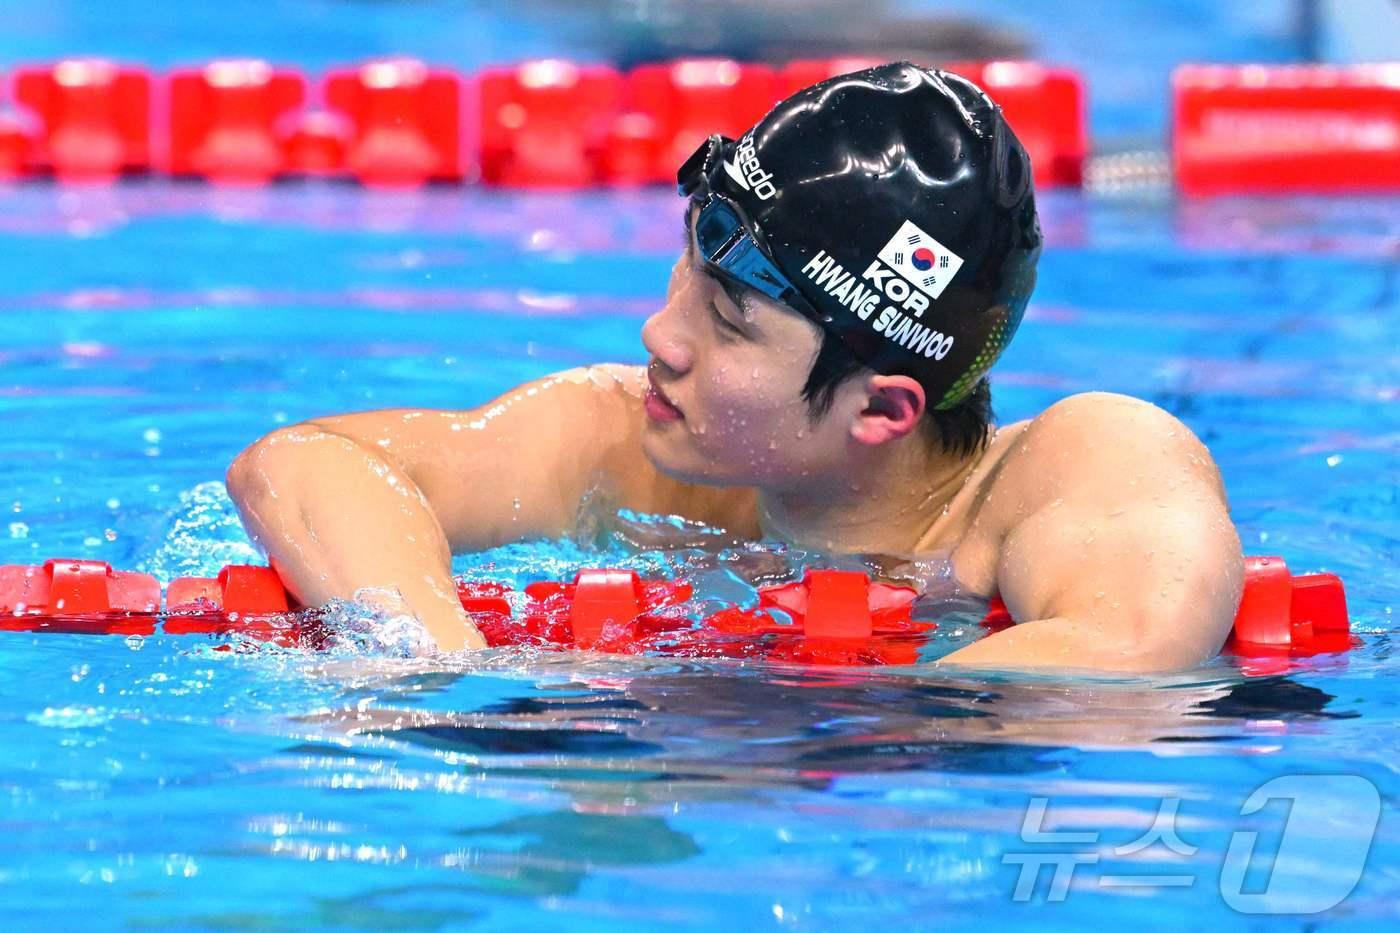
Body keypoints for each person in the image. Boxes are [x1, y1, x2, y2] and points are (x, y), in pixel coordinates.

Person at [225, 63, 1243, 672]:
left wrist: (769, 710)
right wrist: (431, 662)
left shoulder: (1074, 466)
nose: (657, 338)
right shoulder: (636, 441)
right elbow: (306, 462)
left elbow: (1128, 655)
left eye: (727, 321)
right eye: (686, 267)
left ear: (881, 408)